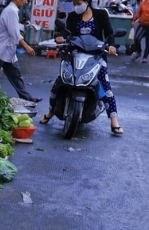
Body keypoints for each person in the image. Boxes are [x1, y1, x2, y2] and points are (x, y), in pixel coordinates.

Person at [40, 0, 124, 135]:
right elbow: (67, 32)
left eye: (78, 2)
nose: (76, 6)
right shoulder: (73, 16)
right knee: (60, 82)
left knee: (105, 85)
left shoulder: (101, 14)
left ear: (87, 1)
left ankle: (114, 120)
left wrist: (111, 45)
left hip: (96, 56)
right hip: (74, 54)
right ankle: (50, 112)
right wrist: (60, 38)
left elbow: (109, 33)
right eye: (75, 3)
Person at [0, 0, 41, 102]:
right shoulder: (11, 11)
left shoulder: (11, 10)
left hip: (9, 50)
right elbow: (14, 33)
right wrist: (27, 47)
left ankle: (27, 98)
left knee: (16, 76)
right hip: (2, 49)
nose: (26, 1)